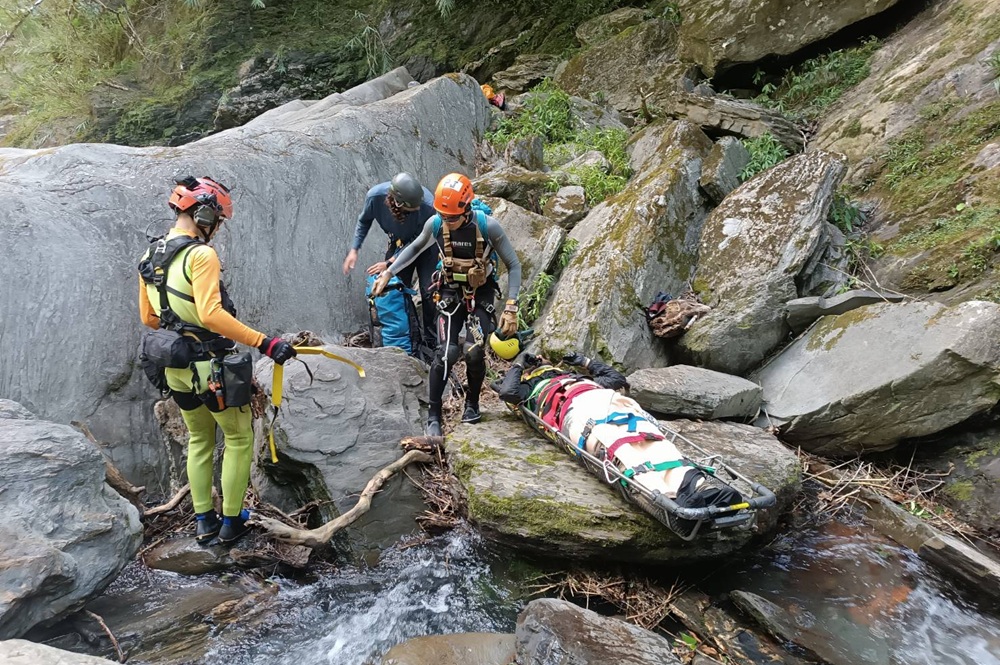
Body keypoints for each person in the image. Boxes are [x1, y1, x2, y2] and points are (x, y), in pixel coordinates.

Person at [138, 176, 296, 545]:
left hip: (175, 367)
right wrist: (265, 343)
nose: (218, 228)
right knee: (239, 439)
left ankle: (204, 522)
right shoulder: (201, 254)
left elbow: (149, 318)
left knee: (198, 439)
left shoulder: (150, 255)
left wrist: (180, 320)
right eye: (218, 219)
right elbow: (211, 314)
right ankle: (231, 524)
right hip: (211, 367)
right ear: (205, 212)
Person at [371, 173, 522, 436]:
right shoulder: (436, 224)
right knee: (445, 353)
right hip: (450, 289)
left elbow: (514, 264)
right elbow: (414, 248)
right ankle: (434, 416)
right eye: (443, 215)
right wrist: (388, 272)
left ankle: (472, 403)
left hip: (481, 292)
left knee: (474, 351)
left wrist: (511, 306)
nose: (447, 222)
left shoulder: (488, 227)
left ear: (466, 209)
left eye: (451, 217)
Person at [343, 173, 438, 356]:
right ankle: (406, 338)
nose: (417, 209)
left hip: (426, 246)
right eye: (413, 209)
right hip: (398, 243)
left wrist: (389, 263)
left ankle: (432, 343)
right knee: (393, 290)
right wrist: (355, 249)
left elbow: (419, 243)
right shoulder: (375, 197)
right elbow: (364, 221)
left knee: (429, 292)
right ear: (400, 204)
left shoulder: (427, 205)